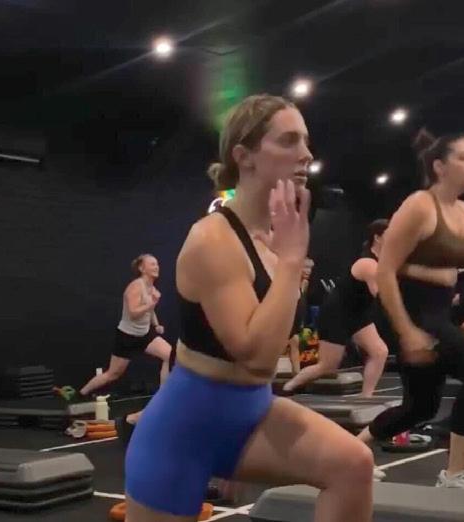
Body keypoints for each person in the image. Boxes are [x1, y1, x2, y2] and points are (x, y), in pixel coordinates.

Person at [125, 94, 374, 522]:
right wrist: (292, 263)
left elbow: (273, 344)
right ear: (244, 157)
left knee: (353, 465)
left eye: (306, 141)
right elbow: (256, 356)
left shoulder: (274, 238)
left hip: (250, 412)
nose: (306, 153)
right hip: (183, 432)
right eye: (289, 141)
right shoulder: (213, 240)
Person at [358, 128, 464, 490]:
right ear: (439, 166)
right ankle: (455, 473)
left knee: (420, 408)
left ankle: (350, 454)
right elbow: (386, 270)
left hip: (438, 315)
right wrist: (407, 332)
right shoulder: (419, 206)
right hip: (408, 312)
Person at [283, 220, 390, 396]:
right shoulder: (368, 263)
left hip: (357, 314)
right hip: (336, 314)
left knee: (379, 352)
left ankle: (366, 397)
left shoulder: (381, 262)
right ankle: (288, 387)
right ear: (377, 238)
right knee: (327, 365)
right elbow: (380, 295)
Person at [80, 255, 172, 398]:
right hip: (127, 337)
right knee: (112, 374)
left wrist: (156, 324)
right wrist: (152, 303)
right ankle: (82, 394)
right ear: (142, 268)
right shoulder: (135, 286)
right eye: (152, 264)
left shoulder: (152, 288)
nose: (157, 267)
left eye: (157, 264)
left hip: (144, 335)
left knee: (169, 355)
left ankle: (163, 396)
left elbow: (150, 310)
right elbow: (133, 313)